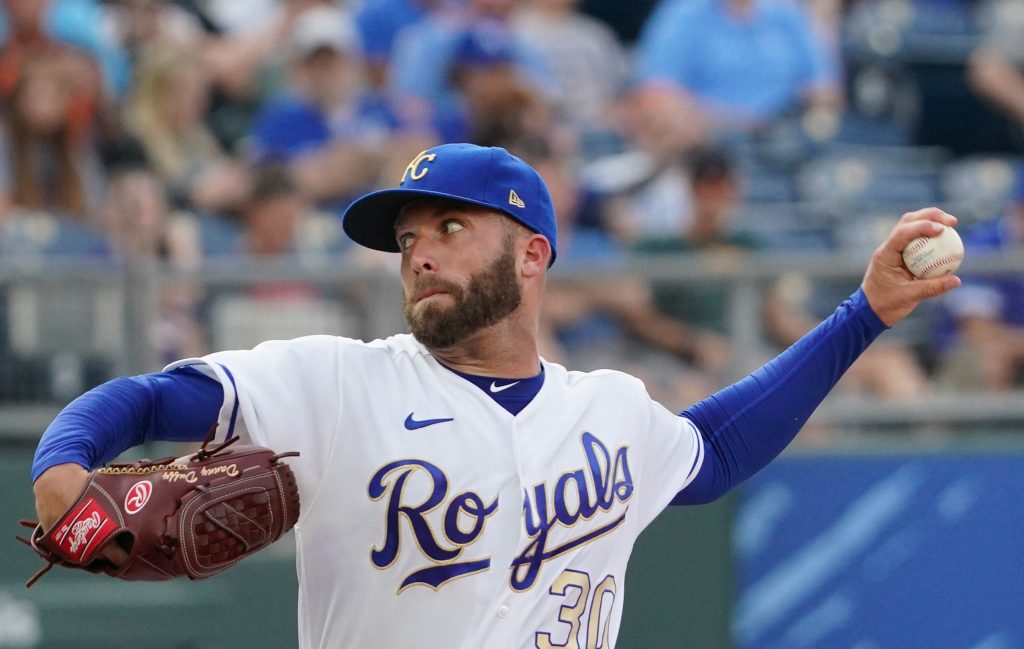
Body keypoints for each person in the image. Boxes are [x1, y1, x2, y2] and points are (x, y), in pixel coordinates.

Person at [30, 143, 961, 648]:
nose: (419, 251)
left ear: (532, 252)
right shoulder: (336, 380)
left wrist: (864, 313)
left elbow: (712, 453)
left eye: (449, 226)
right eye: (405, 239)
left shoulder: (608, 409)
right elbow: (149, 401)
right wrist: (60, 471)